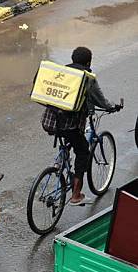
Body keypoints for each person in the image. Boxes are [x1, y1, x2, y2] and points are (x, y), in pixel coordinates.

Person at [41, 46, 121, 205]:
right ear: (88, 62)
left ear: (72, 59)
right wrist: (112, 106)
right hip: (69, 126)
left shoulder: (61, 72)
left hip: (49, 122)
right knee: (83, 151)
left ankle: (60, 163)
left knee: (69, 139)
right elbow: (101, 101)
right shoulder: (87, 78)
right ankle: (76, 195)